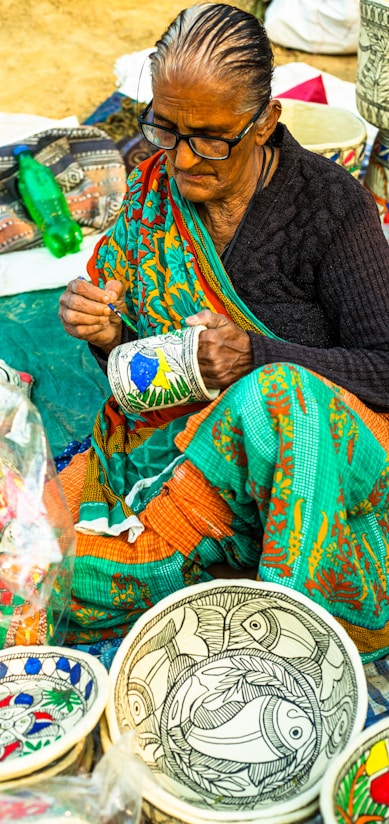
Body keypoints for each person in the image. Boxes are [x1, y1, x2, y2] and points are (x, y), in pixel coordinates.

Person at [59, 2, 389, 662]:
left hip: (312, 464)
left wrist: (255, 356)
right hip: (170, 466)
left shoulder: (327, 207)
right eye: (165, 127)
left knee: (278, 397)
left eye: (210, 137)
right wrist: (105, 335)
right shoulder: (145, 182)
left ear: (265, 120)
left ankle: (294, 645)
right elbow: (137, 382)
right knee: (34, 560)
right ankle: (196, 556)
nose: (181, 158)